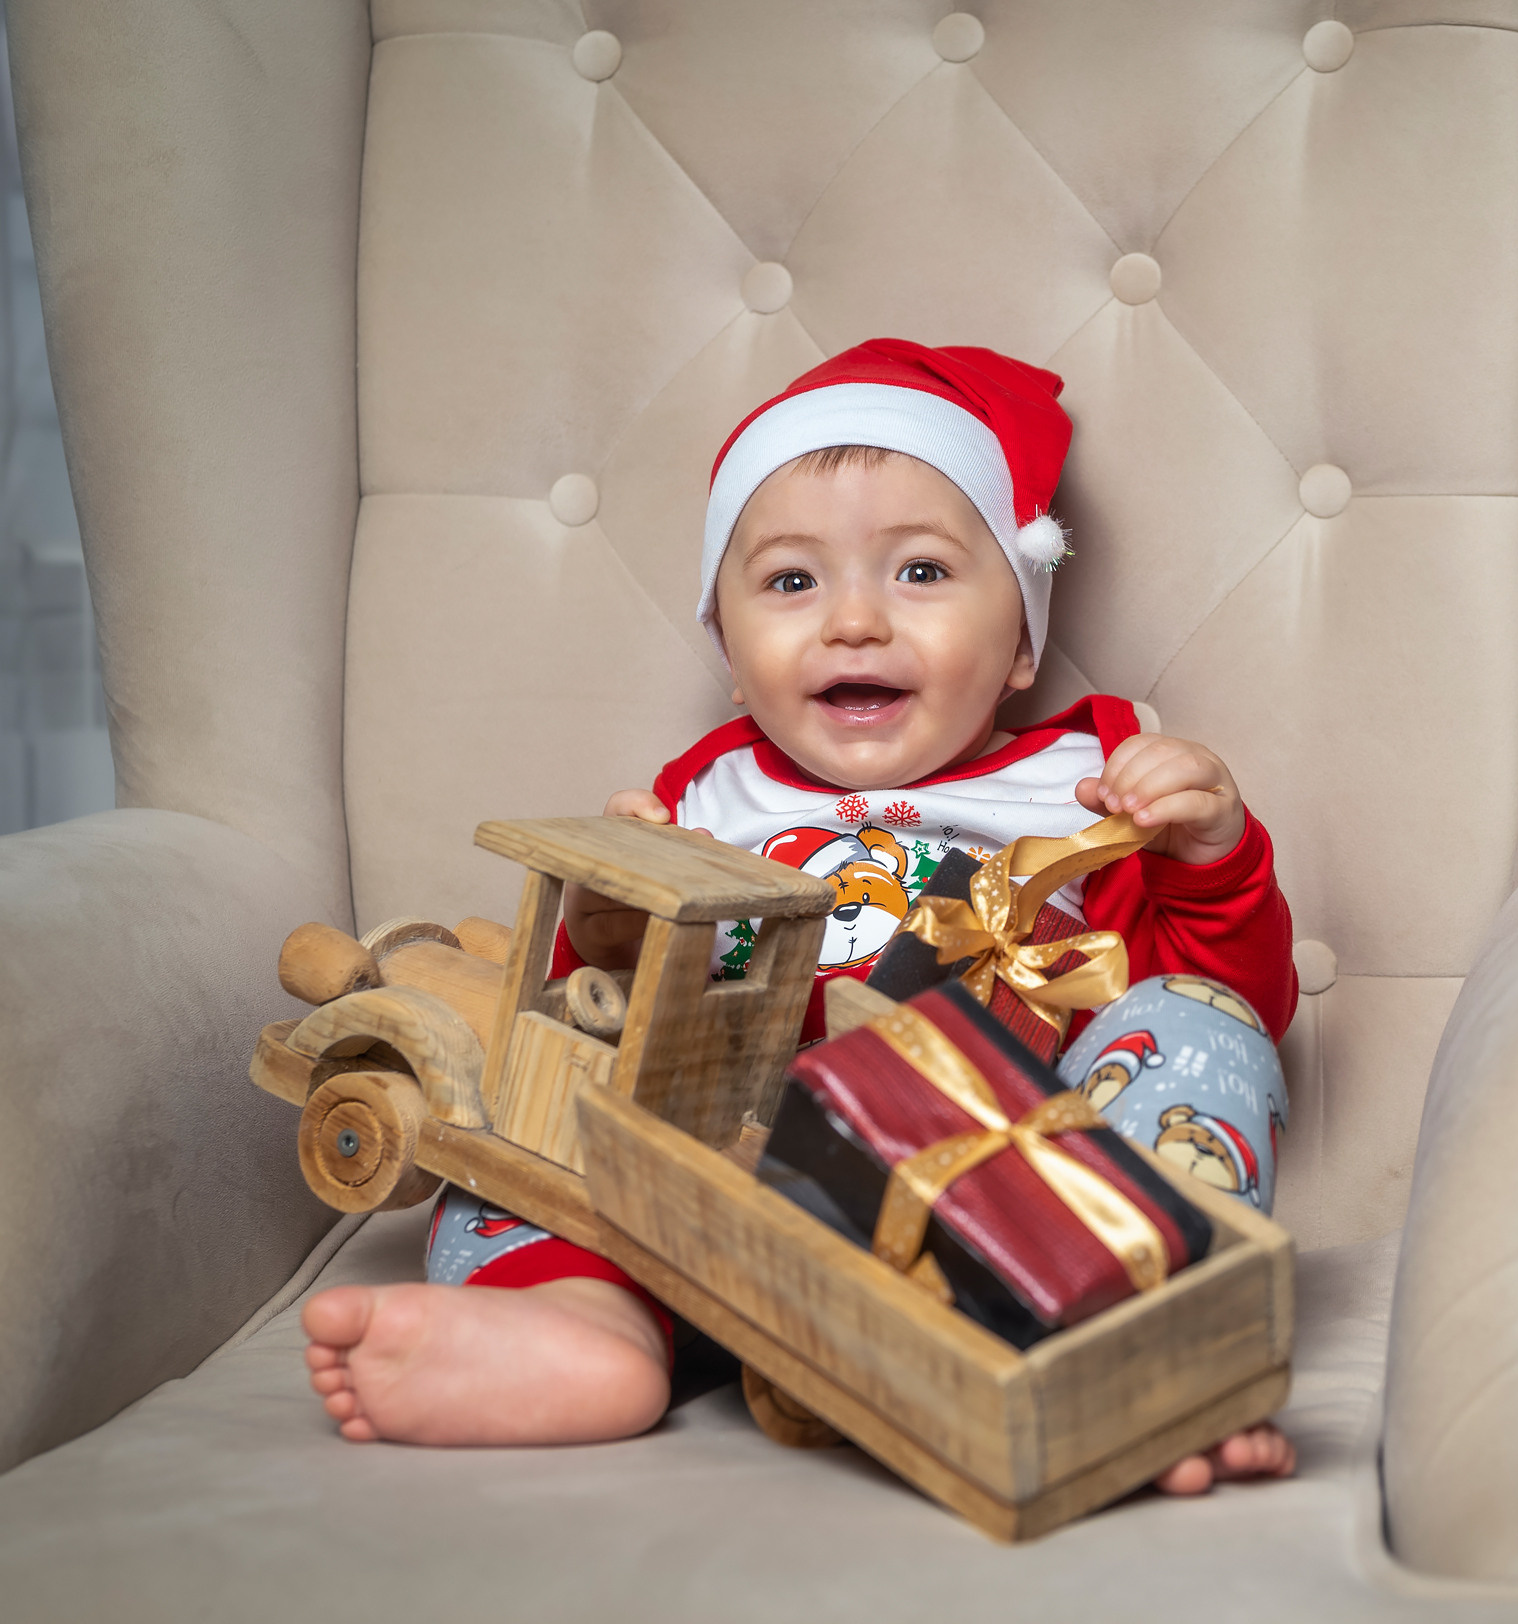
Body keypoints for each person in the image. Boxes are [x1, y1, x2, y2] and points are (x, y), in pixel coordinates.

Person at [299, 341, 1300, 1495]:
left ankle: (1150, 1343)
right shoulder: (703, 801)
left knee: (1198, 1013)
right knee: (544, 1099)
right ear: (728, 652)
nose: (855, 623)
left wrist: (1211, 857)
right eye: (790, 582)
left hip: (1009, 1206)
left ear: (1023, 635)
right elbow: (598, 1002)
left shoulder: (1090, 785)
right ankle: (578, 1326)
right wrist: (616, 914)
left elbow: (1226, 994)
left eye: (921, 572)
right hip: (722, 1186)